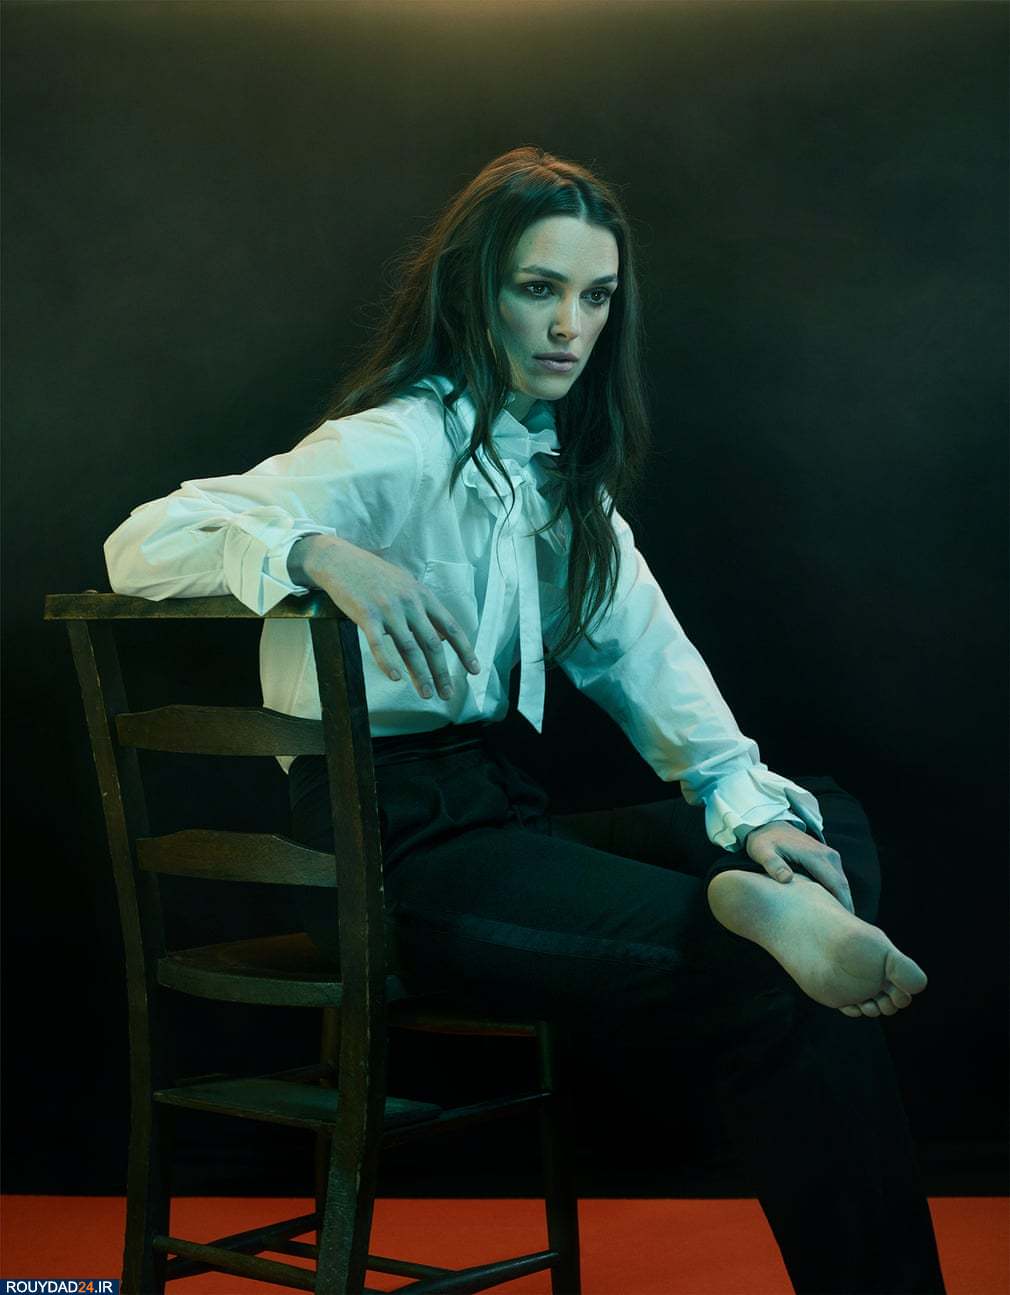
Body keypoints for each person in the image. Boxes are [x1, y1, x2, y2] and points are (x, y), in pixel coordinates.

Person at [103, 145, 947, 1294]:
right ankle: (759, 926)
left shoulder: (554, 479)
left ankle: (760, 893)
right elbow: (143, 541)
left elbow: (641, 651)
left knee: (811, 815)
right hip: (384, 852)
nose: (567, 326)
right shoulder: (394, 442)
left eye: (594, 296)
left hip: (495, 815)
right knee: (775, 982)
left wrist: (738, 806)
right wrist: (314, 551)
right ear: (473, 288)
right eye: (537, 288)